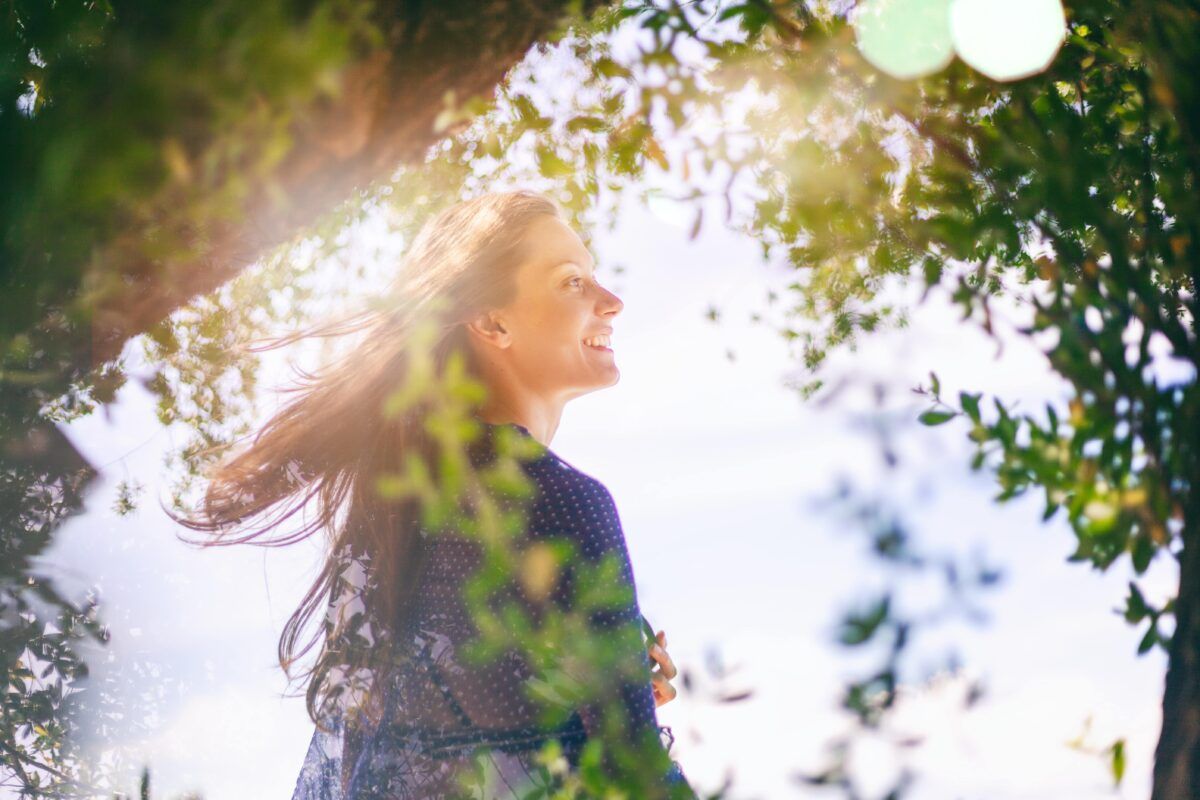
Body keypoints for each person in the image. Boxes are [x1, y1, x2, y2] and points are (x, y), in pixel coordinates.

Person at [169, 190, 695, 798]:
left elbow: (381, 750)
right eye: (571, 283)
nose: (613, 301)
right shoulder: (563, 500)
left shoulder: (401, 507)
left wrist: (591, 690)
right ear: (492, 321)